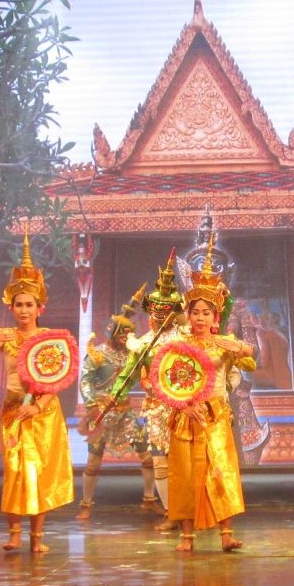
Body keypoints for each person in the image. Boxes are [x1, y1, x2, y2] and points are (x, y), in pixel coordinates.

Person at [0, 234, 74, 554]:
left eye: (28, 304)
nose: (23, 310)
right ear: (12, 306)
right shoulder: (6, 336)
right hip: (14, 408)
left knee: (38, 471)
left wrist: (39, 406)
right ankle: (14, 532)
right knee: (15, 469)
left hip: (42, 410)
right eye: (18, 304)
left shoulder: (49, 338)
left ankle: (36, 536)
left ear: (39, 307)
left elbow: (58, 379)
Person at [166, 236, 256, 553]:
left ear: (215, 316)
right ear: (188, 315)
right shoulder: (179, 346)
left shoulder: (222, 344)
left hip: (216, 415)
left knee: (221, 471)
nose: (201, 317)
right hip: (186, 416)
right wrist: (184, 405)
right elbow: (168, 381)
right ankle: (186, 535)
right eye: (196, 312)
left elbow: (251, 359)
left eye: (207, 312)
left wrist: (238, 346)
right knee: (186, 475)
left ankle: (226, 533)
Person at [76, 286, 159, 520]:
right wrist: (91, 404)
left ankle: (149, 499)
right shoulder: (98, 354)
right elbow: (85, 382)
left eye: (127, 335)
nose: (125, 339)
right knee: (93, 462)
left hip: (126, 414)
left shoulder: (131, 355)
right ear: (112, 332)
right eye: (121, 334)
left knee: (147, 457)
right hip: (101, 414)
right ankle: (85, 504)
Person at [128, 249, 186, 531]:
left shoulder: (184, 340)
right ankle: (171, 512)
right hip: (154, 408)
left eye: (165, 311)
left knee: (184, 461)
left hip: (182, 407)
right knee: (159, 460)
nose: (159, 316)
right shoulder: (142, 343)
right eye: (155, 311)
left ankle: (191, 511)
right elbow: (128, 373)